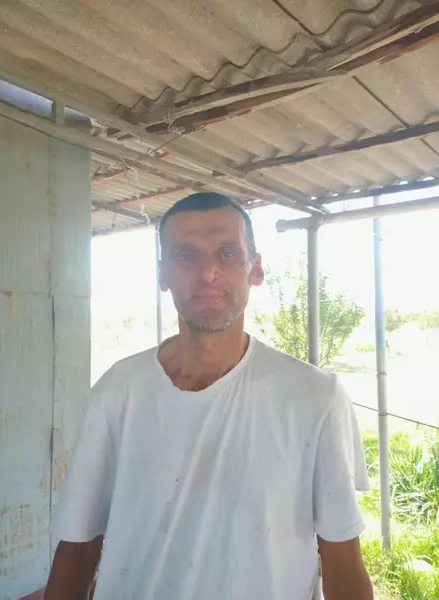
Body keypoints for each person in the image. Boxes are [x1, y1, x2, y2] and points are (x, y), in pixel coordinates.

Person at [45, 192, 373, 600]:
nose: (208, 272)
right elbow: (78, 547)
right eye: (186, 255)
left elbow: (343, 560)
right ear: (163, 274)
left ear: (256, 268)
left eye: (227, 252)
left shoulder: (315, 397)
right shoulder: (117, 393)